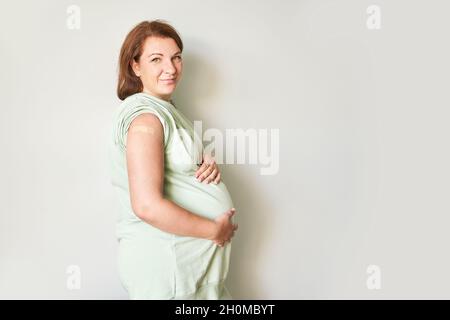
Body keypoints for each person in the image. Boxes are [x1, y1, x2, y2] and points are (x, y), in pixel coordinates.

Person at [109, 20, 238, 299]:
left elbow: (172, 169)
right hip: (168, 269)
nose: (171, 68)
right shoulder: (145, 118)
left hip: (187, 272)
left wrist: (201, 165)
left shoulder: (164, 109)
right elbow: (146, 205)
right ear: (135, 66)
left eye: (176, 57)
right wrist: (215, 230)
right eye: (156, 59)